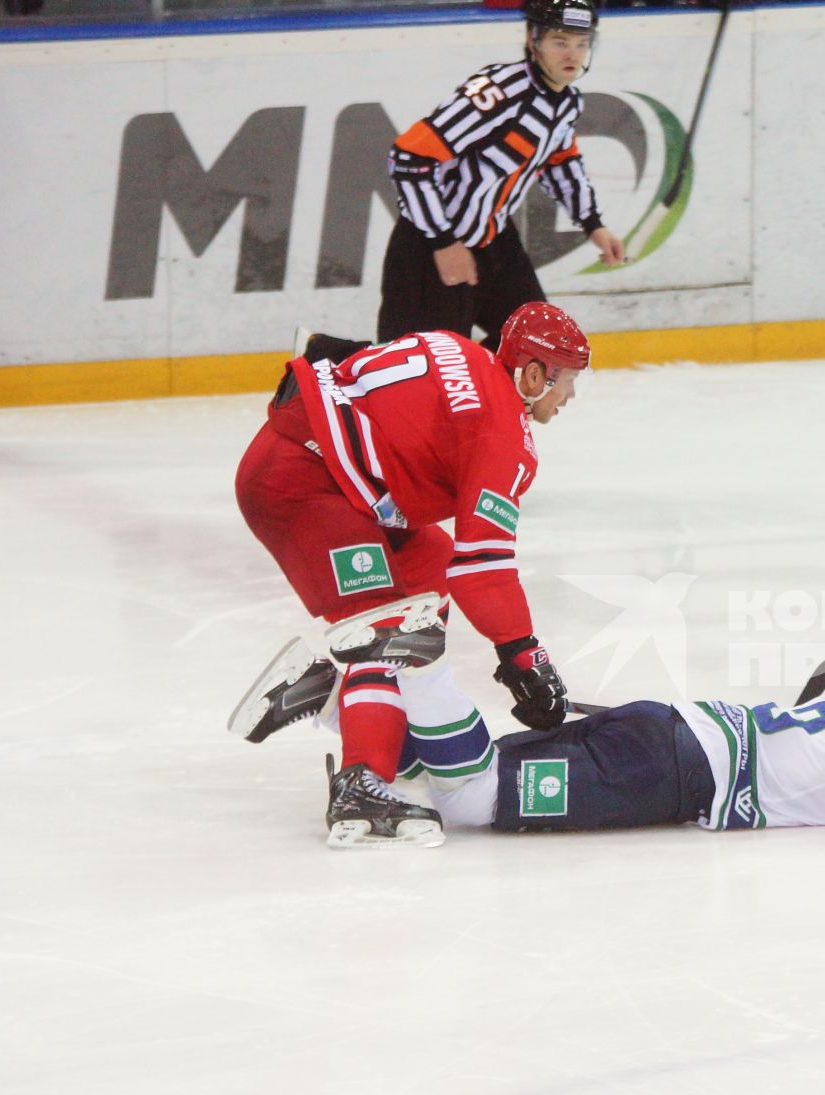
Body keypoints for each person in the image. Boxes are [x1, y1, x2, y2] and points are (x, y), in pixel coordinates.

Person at [231, 301, 592, 850]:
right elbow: (484, 567)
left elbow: (340, 362)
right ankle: (362, 786)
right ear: (535, 374)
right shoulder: (502, 435)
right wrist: (524, 657)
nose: (570, 398)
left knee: (429, 569)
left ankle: (332, 694)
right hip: (306, 491)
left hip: (307, 470)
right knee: (390, 631)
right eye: (566, 380)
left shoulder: (458, 348)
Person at [237, 652, 825, 838]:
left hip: (664, 729)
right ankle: (415, 668)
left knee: (460, 778)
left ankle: (343, 704)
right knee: (474, 800)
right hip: (665, 773)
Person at [356, 0, 624, 355]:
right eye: (560, 42)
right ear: (534, 40)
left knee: (538, 344)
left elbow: (560, 161)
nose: (571, 54)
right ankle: (321, 361)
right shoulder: (498, 92)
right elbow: (409, 157)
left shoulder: (566, 102)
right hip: (430, 249)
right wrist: (443, 242)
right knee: (416, 371)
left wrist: (593, 223)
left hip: (495, 241)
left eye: (581, 43)